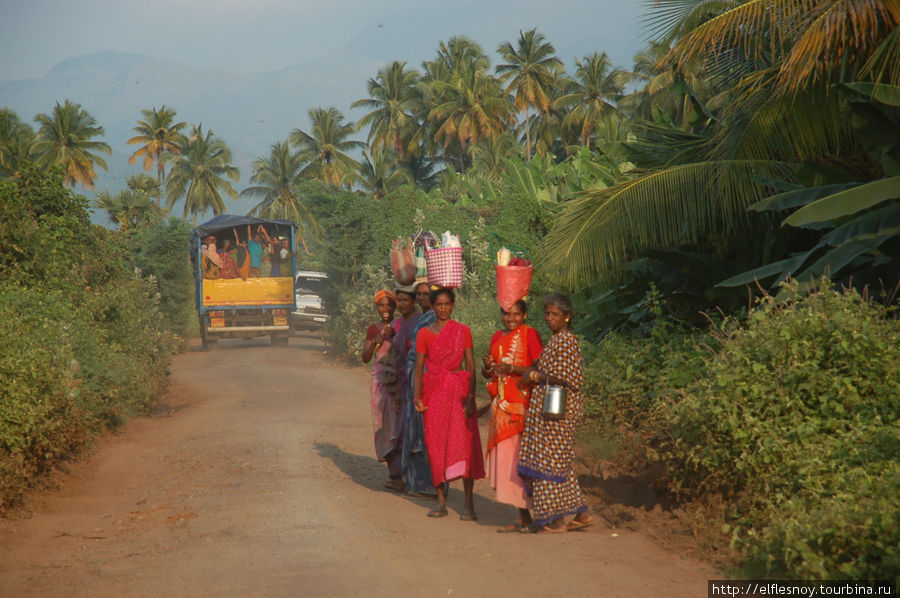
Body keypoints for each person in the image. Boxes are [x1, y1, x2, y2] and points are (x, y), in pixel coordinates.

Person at [518, 293, 594, 533]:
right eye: (547, 314)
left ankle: (556, 520)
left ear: (567, 316)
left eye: (555, 314)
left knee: (548, 461)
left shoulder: (565, 341)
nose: (550, 318)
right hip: (553, 410)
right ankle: (581, 514)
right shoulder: (557, 340)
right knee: (559, 460)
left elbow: (566, 378)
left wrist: (535, 376)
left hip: (560, 412)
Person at [413, 288, 484, 520]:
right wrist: (418, 396)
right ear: (432, 307)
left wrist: (472, 397)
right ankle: (441, 502)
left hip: (460, 394)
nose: (443, 308)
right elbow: (419, 368)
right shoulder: (423, 333)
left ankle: (469, 504)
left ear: (453, 305)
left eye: (447, 304)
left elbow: (471, 367)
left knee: (464, 446)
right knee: (436, 447)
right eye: (439, 304)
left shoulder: (463, 331)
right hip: (433, 395)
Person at [482, 300, 543, 532]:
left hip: (521, 407)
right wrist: (488, 366)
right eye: (507, 314)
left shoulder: (530, 335)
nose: (511, 319)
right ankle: (523, 515)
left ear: (525, 315)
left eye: (516, 314)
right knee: (508, 461)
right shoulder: (497, 336)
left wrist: (513, 370)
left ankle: (531, 515)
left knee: (519, 460)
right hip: (501, 406)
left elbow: (539, 368)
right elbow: (491, 372)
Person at [361, 290, 402, 491]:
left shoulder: (401, 326)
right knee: (382, 425)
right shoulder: (373, 329)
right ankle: (394, 474)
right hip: (379, 381)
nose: (385, 310)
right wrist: (377, 340)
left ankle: (401, 474)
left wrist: (393, 334)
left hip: (398, 380)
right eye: (381, 306)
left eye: (388, 305)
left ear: (395, 306)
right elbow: (365, 357)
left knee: (398, 426)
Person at [401, 280, 437, 496]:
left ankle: (430, 485)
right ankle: (416, 483)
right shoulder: (422, 319)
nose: (423, 298)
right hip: (415, 376)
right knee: (414, 430)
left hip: (427, 377)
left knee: (425, 432)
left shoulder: (434, 319)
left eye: (426, 294)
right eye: (420, 295)